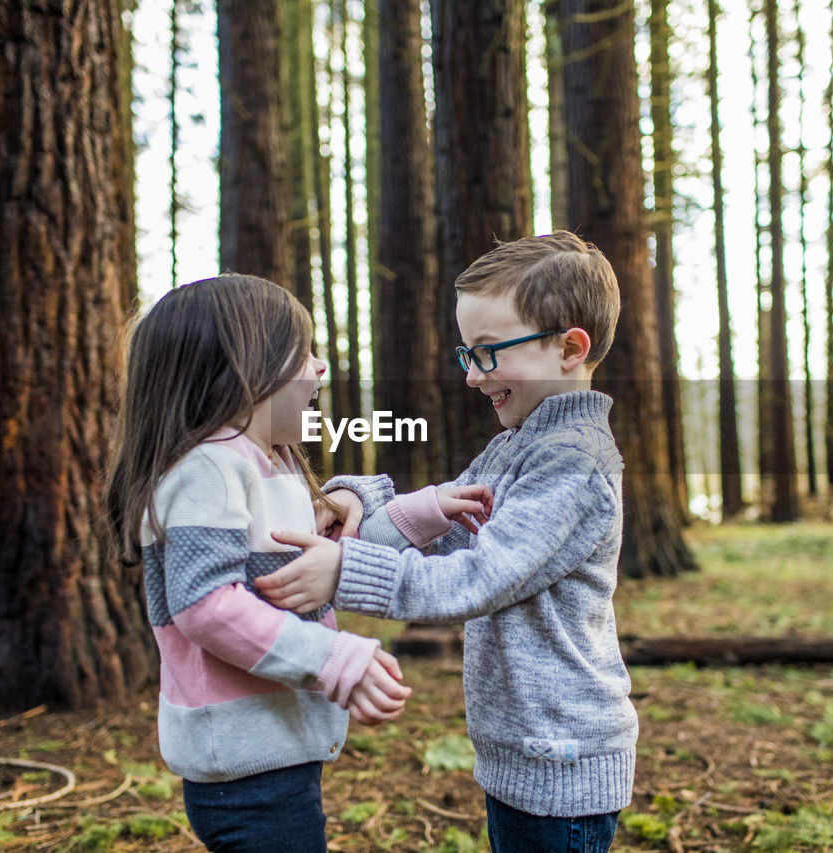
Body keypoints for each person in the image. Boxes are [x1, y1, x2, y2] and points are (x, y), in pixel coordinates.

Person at [256, 232, 638, 853]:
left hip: (563, 759)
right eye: (467, 355)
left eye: (489, 353)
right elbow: (441, 523)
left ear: (570, 347)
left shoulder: (572, 465)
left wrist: (344, 572)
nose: (472, 377)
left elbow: (478, 577)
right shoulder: (519, 447)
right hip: (522, 754)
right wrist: (356, 499)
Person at [104, 274, 415, 853]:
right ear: (244, 370)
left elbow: (327, 537)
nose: (321, 368)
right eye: (305, 354)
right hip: (247, 773)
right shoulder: (210, 467)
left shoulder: (264, 462)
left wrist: (414, 509)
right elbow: (205, 605)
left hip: (271, 752)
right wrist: (335, 659)